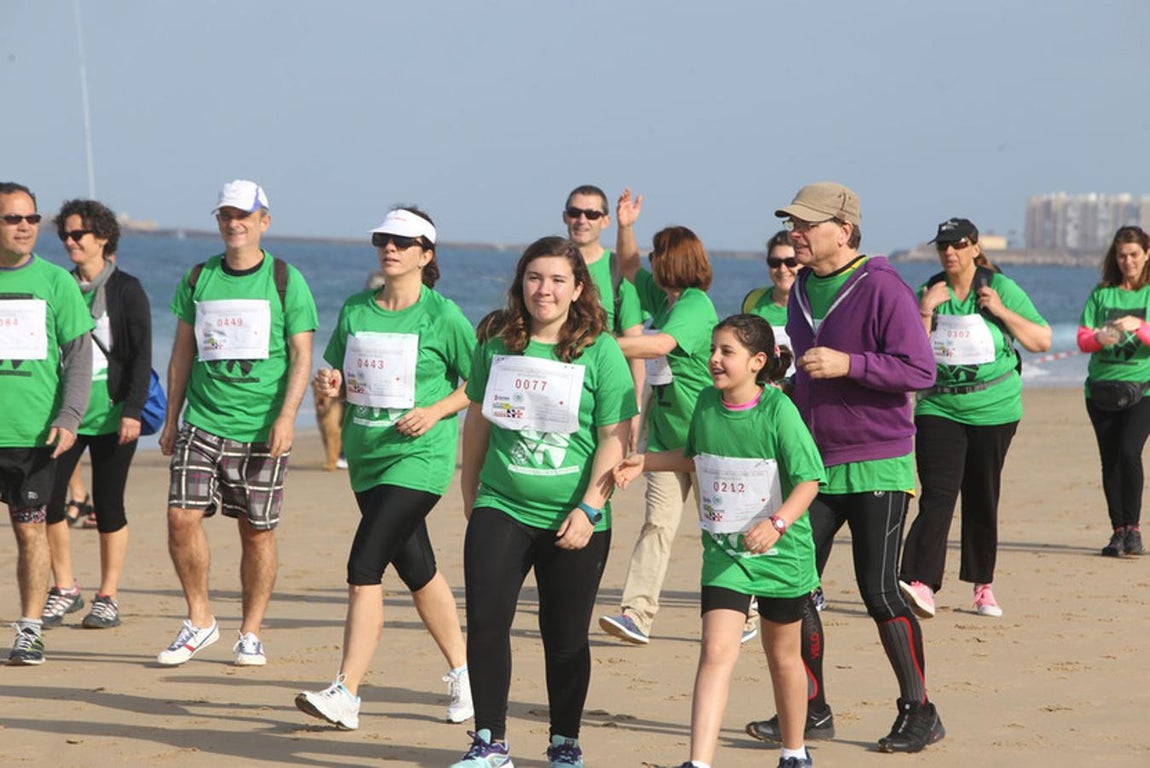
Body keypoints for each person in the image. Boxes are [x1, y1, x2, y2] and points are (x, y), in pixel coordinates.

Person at [744, 182, 945, 753]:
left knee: (879, 591)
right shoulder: (803, 284)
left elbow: (919, 369)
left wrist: (849, 363)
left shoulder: (882, 285)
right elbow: (810, 371)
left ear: (844, 229)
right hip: (815, 464)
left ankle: (920, 710)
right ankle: (812, 708)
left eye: (805, 224)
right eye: (791, 224)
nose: (795, 234)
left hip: (878, 461)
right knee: (796, 589)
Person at [452, 236, 635, 768]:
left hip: (575, 516)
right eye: (535, 278)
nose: (545, 290)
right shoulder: (497, 339)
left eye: (558, 279)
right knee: (486, 622)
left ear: (578, 288)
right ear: (520, 284)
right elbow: (478, 417)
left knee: (565, 636)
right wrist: (471, 493)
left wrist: (589, 509)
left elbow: (614, 436)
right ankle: (490, 741)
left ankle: (564, 743)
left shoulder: (599, 349)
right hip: (502, 503)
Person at [613, 315, 823, 768]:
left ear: (757, 361)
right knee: (715, 650)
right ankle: (699, 763)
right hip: (725, 554)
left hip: (781, 554)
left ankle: (794, 750)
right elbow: (695, 459)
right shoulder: (707, 402)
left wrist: (779, 523)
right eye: (713, 349)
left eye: (726, 351)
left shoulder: (778, 411)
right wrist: (644, 461)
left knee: (782, 656)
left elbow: (809, 481)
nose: (713, 359)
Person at [295, 207, 474, 729]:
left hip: (420, 460)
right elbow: (345, 379)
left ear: (426, 253)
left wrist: (436, 410)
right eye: (382, 239)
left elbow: (482, 380)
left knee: (363, 567)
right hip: (367, 458)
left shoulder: (444, 317)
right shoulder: (355, 309)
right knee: (419, 571)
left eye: (402, 241)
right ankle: (466, 674)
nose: (389, 248)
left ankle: (347, 692)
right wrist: (332, 386)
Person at [157, 180, 317, 666]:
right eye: (225, 215)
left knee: (256, 532)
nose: (234, 223)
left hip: (262, 429)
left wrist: (288, 418)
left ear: (263, 221)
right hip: (202, 420)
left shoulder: (286, 279)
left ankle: (250, 632)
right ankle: (200, 619)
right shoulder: (198, 277)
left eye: (243, 215)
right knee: (181, 517)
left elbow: (301, 354)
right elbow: (182, 353)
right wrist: (170, 418)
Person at [898, 218, 1051, 619]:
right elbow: (910, 355)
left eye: (957, 244)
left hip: (994, 408)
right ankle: (920, 582)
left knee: (982, 495)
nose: (949, 252)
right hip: (939, 407)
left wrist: (1000, 310)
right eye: (942, 246)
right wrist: (926, 310)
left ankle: (983, 585)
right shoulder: (928, 292)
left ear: (975, 247)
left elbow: (1041, 340)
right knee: (937, 493)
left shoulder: (999, 287)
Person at [598, 189, 719, 646]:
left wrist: (595, 345)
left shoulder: (694, 306)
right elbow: (627, 268)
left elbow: (659, 346)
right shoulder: (665, 298)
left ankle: (748, 610)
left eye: (658, 254)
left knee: (723, 532)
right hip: (667, 440)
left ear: (677, 262)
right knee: (657, 524)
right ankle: (637, 614)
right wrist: (625, 225)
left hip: (707, 438)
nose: (650, 259)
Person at [41, 199, 153, 630]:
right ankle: (65, 587)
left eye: (78, 235)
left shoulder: (127, 289)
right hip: (65, 418)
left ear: (102, 238)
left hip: (112, 415)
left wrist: (133, 410)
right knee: (50, 502)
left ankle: (108, 597)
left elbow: (142, 355)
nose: (69, 242)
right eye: (65, 235)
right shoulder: (58, 286)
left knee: (108, 506)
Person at [0, 182, 93, 665]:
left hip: (33, 436)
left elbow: (79, 356)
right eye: (13, 219)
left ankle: (30, 629)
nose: (24, 227)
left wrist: (70, 416)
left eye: (31, 219)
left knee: (30, 532)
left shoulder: (56, 282)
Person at [1077, 225, 1150, 557]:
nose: (1127, 261)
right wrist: (1099, 338)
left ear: (1146, 254)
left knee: (1128, 452)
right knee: (1110, 460)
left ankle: (1134, 529)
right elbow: (1082, 340)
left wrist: (1141, 327)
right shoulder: (1101, 293)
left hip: (1143, 390)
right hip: (1102, 390)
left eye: (1134, 254)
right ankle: (1117, 531)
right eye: (1122, 255)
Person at [562, 185, 646, 445]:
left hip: (603, 388)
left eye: (592, 214)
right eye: (575, 212)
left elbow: (636, 347)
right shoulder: (550, 266)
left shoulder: (616, 271)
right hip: (558, 386)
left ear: (606, 221)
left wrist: (635, 410)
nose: (582, 220)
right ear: (565, 217)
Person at [741, 230, 800, 379]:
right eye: (775, 262)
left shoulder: (814, 304)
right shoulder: (753, 300)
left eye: (790, 262)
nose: (782, 269)